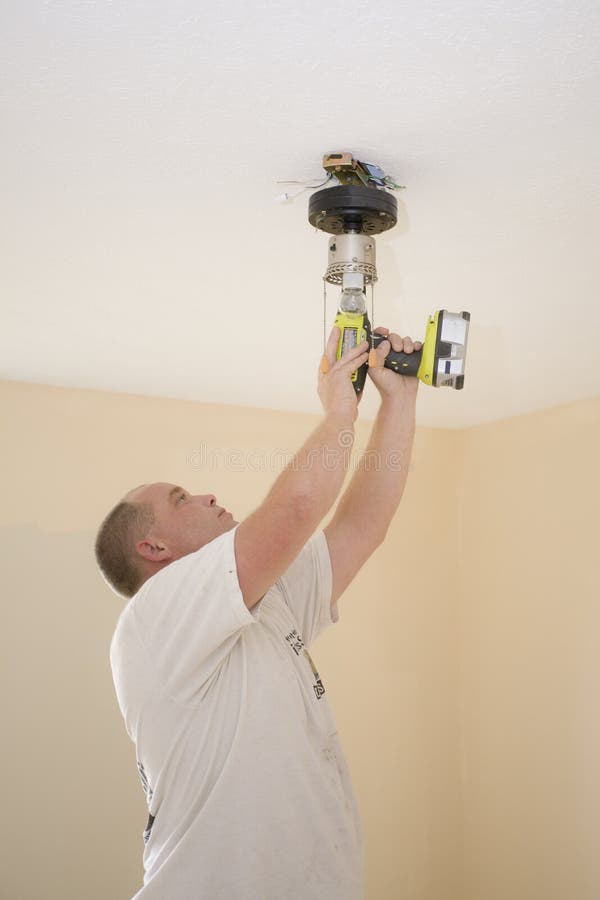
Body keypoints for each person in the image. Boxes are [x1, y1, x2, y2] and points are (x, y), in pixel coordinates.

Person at [96, 325, 421, 900]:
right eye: (182, 500)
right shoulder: (153, 620)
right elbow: (296, 508)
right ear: (153, 550)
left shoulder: (262, 606)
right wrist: (338, 409)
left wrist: (398, 401)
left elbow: (360, 526)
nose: (208, 496)